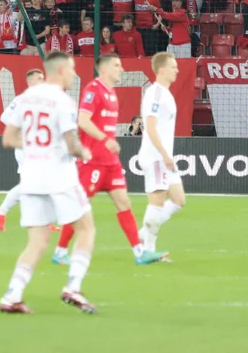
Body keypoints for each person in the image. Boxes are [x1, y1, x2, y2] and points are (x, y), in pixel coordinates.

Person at [0, 52, 98, 315]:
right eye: (73, 68)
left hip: (31, 175)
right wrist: (85, 153)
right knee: (86, 228)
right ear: (61, 69)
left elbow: (8, 139)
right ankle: (73, 286)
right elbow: (72, 143)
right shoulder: (63, 101)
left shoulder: (25, 98)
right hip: (58, 174)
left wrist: (33, 145)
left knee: (38, 240)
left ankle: (12, 295)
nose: (75, 74)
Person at [51, 54, 164, 266]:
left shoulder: (111, 93)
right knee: (80, 207)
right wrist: (105, 139)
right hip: (92, 161)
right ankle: (60, 251)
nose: (121, 69)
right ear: (104, 70)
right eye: (116, 65)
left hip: (110, 162)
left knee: (124, 203)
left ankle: (139, 253)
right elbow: (83, 121)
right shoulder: (93, 90)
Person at [137, 52, 183, 259]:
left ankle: (143, 234)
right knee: (156, 201)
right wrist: (164, 154)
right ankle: (148, 250)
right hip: (155, 156)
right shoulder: (155, 93)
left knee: (178, 200)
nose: (177, 70)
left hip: (163, 157)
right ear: (162, 69)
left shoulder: (165, 93)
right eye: (173, 67)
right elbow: (151, 126)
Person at [0, 69, 46, 230]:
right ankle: (2, 212)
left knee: (37, 184)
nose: (43, 81)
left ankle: (1, 213)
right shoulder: (22, 99)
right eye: (39, 79)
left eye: (43, 78)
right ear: (31, 82)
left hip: (38, 147)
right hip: (25, 147)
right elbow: (4, 117)